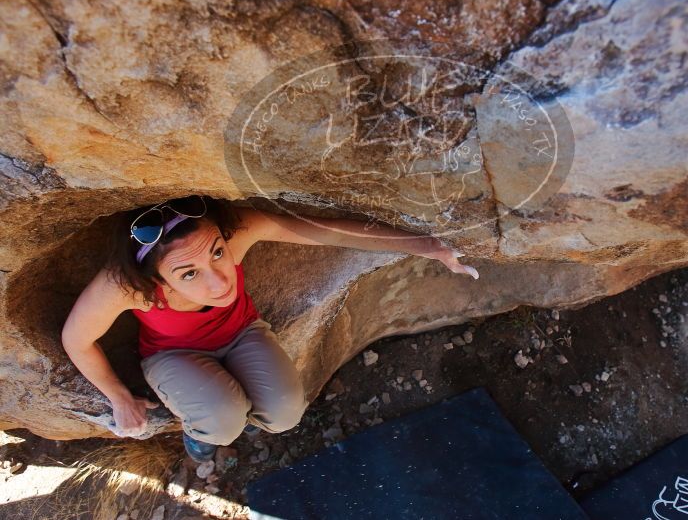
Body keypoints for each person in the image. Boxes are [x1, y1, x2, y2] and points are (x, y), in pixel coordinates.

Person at [61, 194, 479, 462]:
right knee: (223, 421)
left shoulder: (239, 230)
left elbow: (324, 232)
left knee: (284, 414)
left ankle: (231, 411)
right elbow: (76, 339)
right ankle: (201, 437)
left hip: (241, 331)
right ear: (156, 277)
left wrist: (427, 246)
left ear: (224, 237)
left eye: (218, 253)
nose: (219, 281)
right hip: (172, 354)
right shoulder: (125, 286)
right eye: (188, 274)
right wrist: (118, 397)